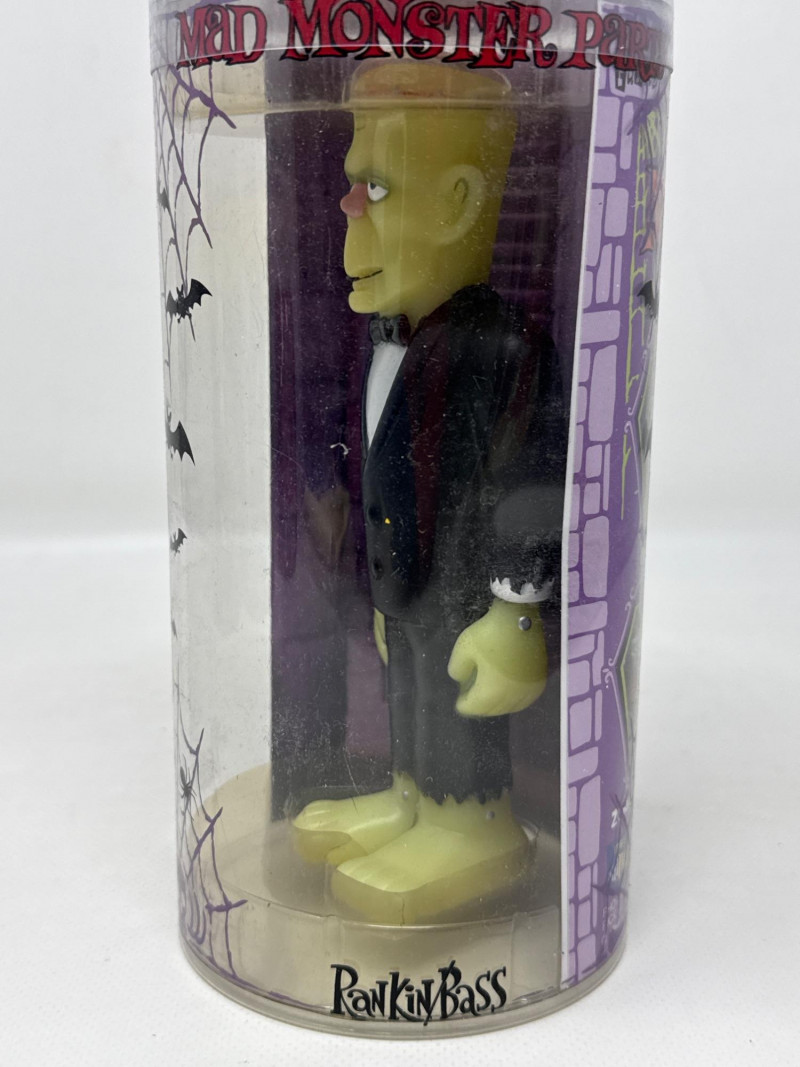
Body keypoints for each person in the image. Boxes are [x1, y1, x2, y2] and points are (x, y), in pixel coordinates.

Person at [293, 62, 566, 924]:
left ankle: (474, 822)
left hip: (467, 592)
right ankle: (414, 798)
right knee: (409, 689)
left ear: (456, 203)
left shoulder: (504, 351)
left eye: (377, 188)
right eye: (352, 187)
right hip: (406, 583)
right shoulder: (390, 340)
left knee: (457, 703)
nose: (349, 211)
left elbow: (532, 483)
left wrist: (517, 613)